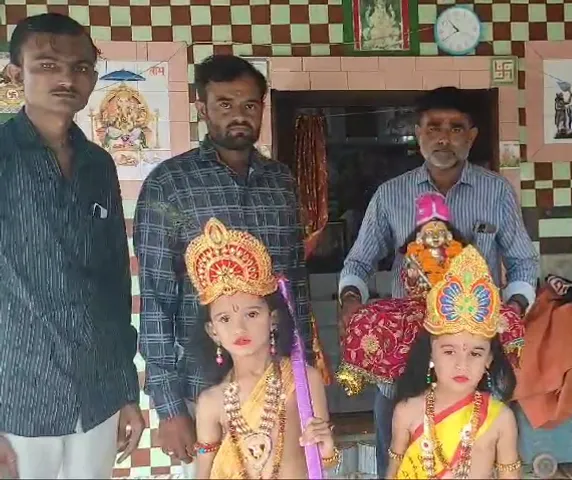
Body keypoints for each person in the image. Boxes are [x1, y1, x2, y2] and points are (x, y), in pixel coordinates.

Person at [337, 86, 538, 477]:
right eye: (434, 127)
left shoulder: (495, 191)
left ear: (472, 135)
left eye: (456, 127)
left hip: (474, 355)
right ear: (418, 133)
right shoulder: (391, 195)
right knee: (396, 458)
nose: (444, 137)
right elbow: (358, 261)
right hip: (407, 354)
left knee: (479, 461)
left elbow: (523, 263)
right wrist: (350, 300)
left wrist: (510, 310)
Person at [133, 54, 310, 475]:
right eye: (225, 104)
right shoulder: (169, 184)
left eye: (250, 105)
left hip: (278, 379)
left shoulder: (281, 182)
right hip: (202, 383)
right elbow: (157, 297)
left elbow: (296, 284)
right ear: (202, 107)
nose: (239, 116)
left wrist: (307, 371)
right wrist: (169, 407)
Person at [0, 13, 144, 479]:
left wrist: (127, 392)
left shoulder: (99, 165)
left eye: (81, 67)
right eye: (47, 65)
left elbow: (115, 283)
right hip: (17, 399)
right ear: (15, 74)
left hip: (97, 394)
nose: (66, 78)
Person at [183, 218, 337, 479]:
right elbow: (204, 473)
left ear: (273, 319)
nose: (239, 329)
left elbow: (323, 462)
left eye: (252, 314)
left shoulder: (305, 380)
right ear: (213, 332)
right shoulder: (211, 402)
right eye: (225, 319)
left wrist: (328, 446)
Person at [336, 193, 524, 398]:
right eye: (428, 232)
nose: (434, 239)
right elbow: (411, 283)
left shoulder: (458, 250)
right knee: (368, 322)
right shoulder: (414, 249)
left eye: (440, 232)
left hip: (458, 306)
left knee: (504, 321)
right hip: (418, 309)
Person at [387, 245, 522, 479]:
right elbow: (393, 473)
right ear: (431, 353)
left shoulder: (500, 418)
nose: (462, 364)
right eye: (449, 352)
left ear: (489, 360)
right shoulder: (406, 412)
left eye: (476, 353)